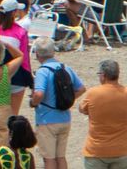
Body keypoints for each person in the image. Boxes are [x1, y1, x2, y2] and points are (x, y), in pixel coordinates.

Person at [30, 38, 83, 169]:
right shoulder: (66, 68)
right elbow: (81, 88)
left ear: (37, 54)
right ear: (53, 52)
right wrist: (68, 100)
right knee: (61, 157)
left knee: (49, 159)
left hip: (47, 119)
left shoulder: (43, 71)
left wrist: (33, 102)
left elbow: (39, 94)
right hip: (64, 118)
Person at [79, 59, 127, 169]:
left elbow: (82, 109)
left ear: (103, 75)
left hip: (96, 151)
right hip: (122, 150)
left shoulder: (93, 93)